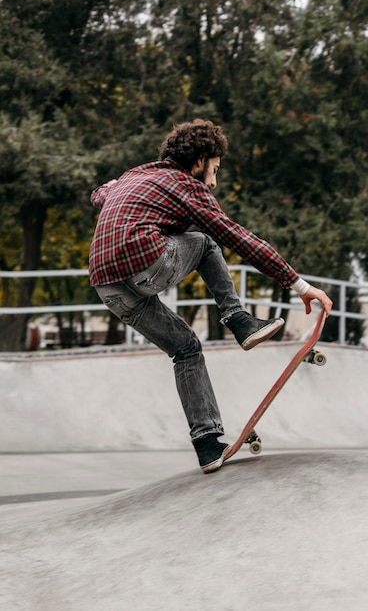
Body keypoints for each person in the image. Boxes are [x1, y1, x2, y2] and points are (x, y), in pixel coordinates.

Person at [89, 119, 333, 473]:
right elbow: (238, 237)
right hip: (147, 259)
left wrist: (107, 186)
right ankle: (238, 320)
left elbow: (100, 194)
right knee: (205, 243)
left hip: (106, 284)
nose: (214, 181)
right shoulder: (186, 185)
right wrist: (297, 284)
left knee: (185, 347)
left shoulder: (134, 176)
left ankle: (206, 444)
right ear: (200, 159)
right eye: (214, 169)